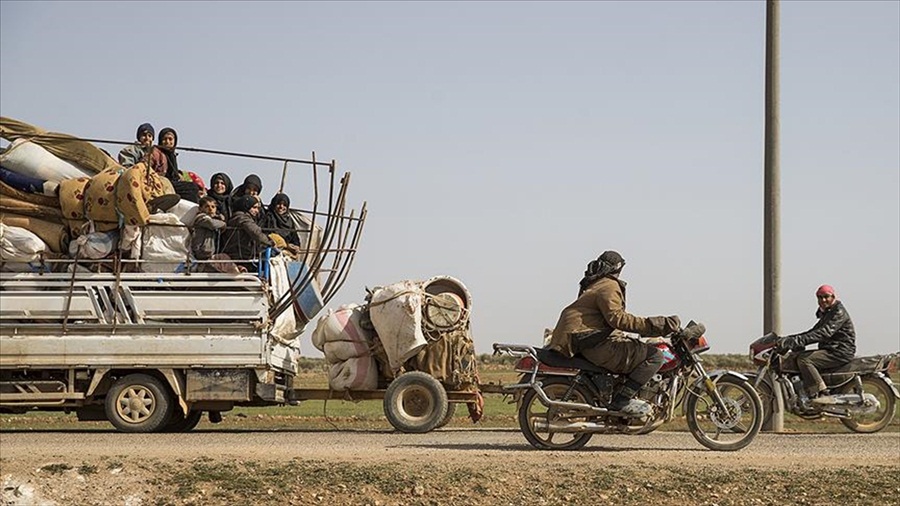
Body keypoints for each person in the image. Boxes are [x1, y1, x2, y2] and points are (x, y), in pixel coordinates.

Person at [547, 250, 681, 416]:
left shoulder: (596, 284)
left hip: (582, 340)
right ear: (618, 269)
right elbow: (617, 319)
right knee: (655, 356)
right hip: (590, 342)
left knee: (633, 347)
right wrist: (657, 324)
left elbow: (604, 321)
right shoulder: (609, 285)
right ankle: (622, 400)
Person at [777, 284, 856, 406]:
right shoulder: (828, 313)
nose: (823, 300)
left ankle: (821, 392)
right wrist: (790, 339)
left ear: (833, 296)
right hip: (831, 349)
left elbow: (824, 333)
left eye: (826, 297)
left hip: (840, 351)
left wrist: (798, 341)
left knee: (805, 360)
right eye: (820, 297)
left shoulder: (838, 312)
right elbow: (813, 332)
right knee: (796, 356)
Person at [220, 195, 275, 271]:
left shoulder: (241, 217)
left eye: (258, 208)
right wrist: (271, 243)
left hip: (241, 254)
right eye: (254, 207)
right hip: (240, 256)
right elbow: (256, 233)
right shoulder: (242, 218)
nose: (257, 211)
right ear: (246, 206)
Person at [156, 127, 200, 203]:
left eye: (170, 139)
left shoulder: (172, 155)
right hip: (163, 182)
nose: (167, 142)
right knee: (192, 188)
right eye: (165, 139)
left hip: (173, 182)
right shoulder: (156, 153)